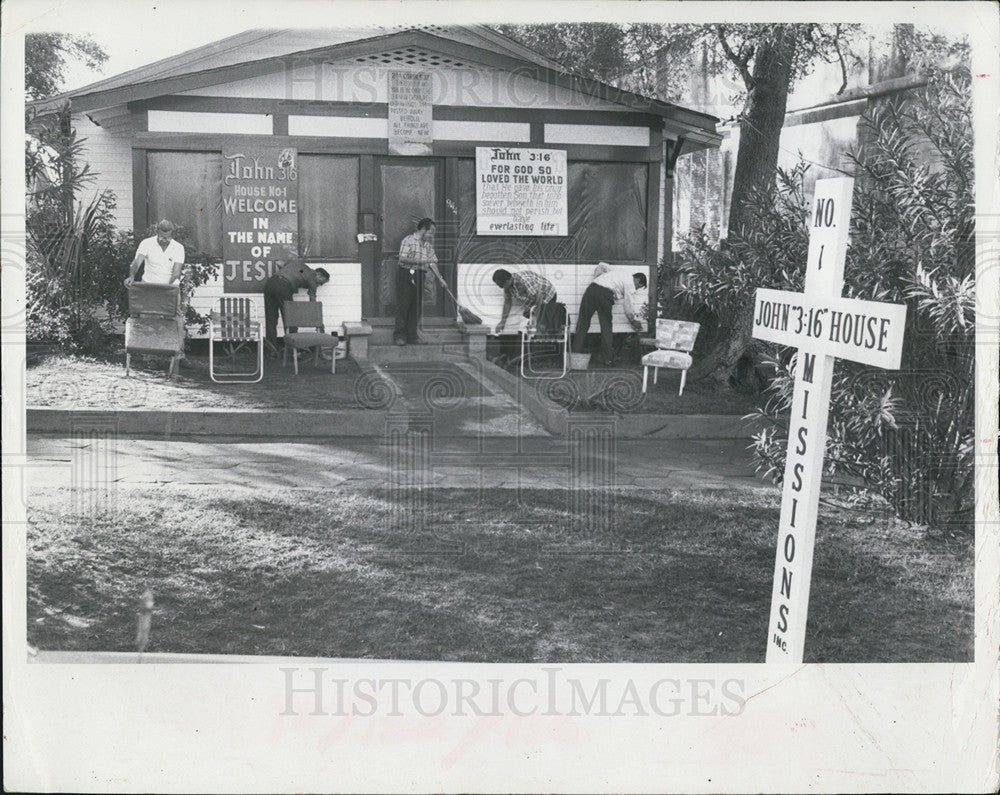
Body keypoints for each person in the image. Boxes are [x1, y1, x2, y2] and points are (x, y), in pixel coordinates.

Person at [572, 263, 646, 366]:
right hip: (605, 294)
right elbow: (627, 305)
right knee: (606, 326)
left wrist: (598, 279)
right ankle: (607, 359)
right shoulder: (630, 284)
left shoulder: (618, 271)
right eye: (639, 286)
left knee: (583, 322)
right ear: (637, 280)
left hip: (591, 289)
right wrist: (633, 320)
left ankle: (574, 356)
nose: (636, 289)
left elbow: (601, 265)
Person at [263, 259, 331, 353]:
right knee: (290, 318)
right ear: (318, 274)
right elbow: (312, 300)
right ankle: (294, 350)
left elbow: (280, 263)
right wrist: (318, 322)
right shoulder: (312, 275)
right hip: (283, 287)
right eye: (321, 282)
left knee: (271, 318)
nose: (319, 285)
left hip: (270, 283)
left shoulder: (301, 267)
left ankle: (271, 351)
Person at [394, 217, 442, 346]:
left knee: (416, 308)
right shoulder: (408, 240)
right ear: (423, 229)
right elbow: (402, 258)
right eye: (430, 232)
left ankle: (412, 336)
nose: (431, 235)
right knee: (403, 305)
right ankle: (400, 336)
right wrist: (420, 262)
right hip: (406, 274)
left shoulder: (428, 246)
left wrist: (441, 279)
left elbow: (432, 262)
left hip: (420, 275)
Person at [492, 268, 558, 335]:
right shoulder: (507, 285)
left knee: (540, 323)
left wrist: (535, 318)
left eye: (501, 285)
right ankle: (532, 334)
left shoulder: (524, 280)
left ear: (507, 280)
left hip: (547, 295)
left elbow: (539, 297)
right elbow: (507, 303)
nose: (501, 287)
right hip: (533, 299)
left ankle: (545, 337)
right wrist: (502, 322)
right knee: (527, 318)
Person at [125, 219, 185, 287]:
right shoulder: (146, 243)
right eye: (162, 237)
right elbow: (137, 262)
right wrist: (131, 277)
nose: (164, 240)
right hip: (148, 285)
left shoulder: (179, 248)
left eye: (168, 238)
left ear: (172, 235)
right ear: (157, 233)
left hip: (169, 287)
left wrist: (167, 288)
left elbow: (176, 273)